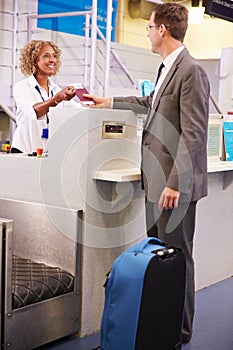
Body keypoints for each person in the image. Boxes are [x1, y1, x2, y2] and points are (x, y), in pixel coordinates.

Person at [84, 2, 210, 344]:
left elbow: (194, 135)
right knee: (160, 256)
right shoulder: (167, 68)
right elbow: (150, 103)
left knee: (178, 258)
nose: (149, 33)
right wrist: (107, 101)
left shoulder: (191, 70)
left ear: (163, 30)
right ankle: (162, 322)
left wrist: (175, 184)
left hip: (173, 187)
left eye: (150, 27)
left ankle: (180, 330)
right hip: (155, 184)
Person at [11, 39, 82, 154]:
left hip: (43, 152)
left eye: (54, 56)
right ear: (34, 60)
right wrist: (57, 99)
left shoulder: (55, 89)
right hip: (23, 151)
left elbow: (79, 109)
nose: (52, 60)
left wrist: (93, 103)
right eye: (46, 56)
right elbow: (33, 112)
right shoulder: (22, 87)